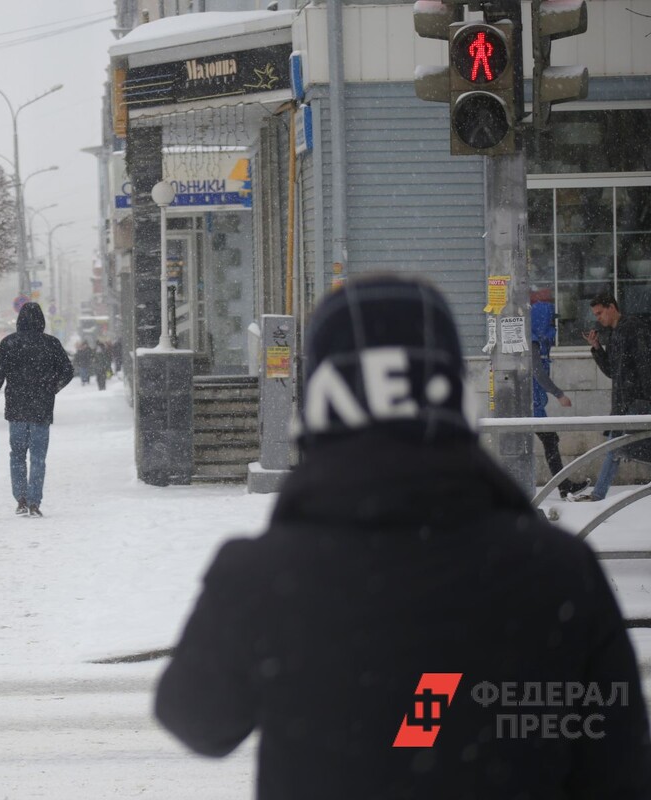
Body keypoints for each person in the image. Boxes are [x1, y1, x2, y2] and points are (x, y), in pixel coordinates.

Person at [154, 275, 651, 799]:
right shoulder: (557, 569)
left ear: (322, 406)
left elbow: (197, 720)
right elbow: (620, 771)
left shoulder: (265, 576)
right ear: (451, 396)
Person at [0, 302, 74, 518]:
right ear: (42, 320)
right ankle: (34, 501)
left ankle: (20, 499)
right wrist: (52, 387)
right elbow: (68, 371)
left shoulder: (9, 343)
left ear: (20, 320)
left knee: (17, 455)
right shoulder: (51, 344)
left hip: (17, 409)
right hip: (42, 409)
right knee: (38, 457)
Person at [576, 292, 651, 501]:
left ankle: (599, 494)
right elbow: (612, 370)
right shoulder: (616, 333)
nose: (598, 318)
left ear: (612, 307)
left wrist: (645, 397)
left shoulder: (632, 328)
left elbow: (645, 364)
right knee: (616, 447)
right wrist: (597, 347)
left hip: (635, 401)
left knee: (620, 446)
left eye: (600, 313)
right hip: (625, 401)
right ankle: (599, 494)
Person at [529, 295, 588, 499]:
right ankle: (564, 486)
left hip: (534, 405)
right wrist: (559, 394)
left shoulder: (537, 340)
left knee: (549, 440)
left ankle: (564, 486)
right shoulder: (533, 342)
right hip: (530, 407)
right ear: (541, 319)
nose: (553, 324)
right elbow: (538, 373)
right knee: (549, 440)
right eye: (550, 320)